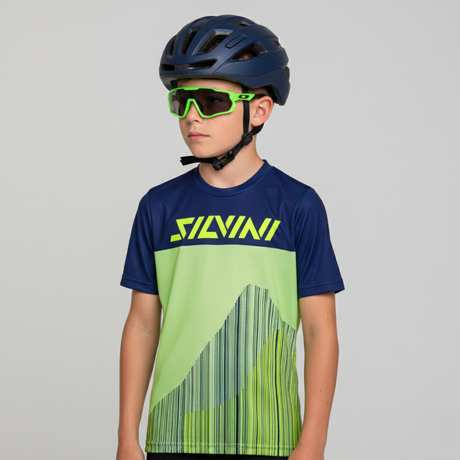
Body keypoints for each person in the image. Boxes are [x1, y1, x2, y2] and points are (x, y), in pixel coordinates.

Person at [117, 14, 344, 460]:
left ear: (258, 110)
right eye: (182, 101)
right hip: (173, 437)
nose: (191, 116)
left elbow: (320, 331)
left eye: (211, 101)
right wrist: (127, 438)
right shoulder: (158, 206)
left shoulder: (297, 205)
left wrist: (313, 444)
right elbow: (142, 324)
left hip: (270, 441)